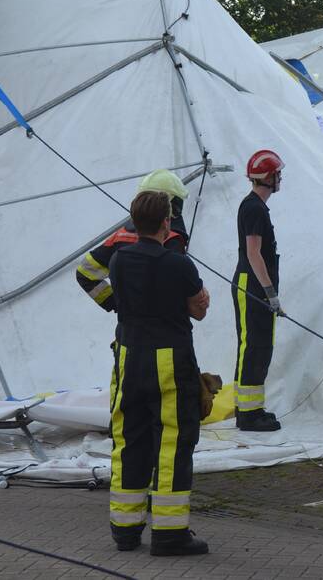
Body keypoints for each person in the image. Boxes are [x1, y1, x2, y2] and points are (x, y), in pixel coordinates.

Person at [108, 190, 210, 555]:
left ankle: (125, 528)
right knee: (172, 443)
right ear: (167, 222)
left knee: (129, 441)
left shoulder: (119, 261)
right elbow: (199, 309)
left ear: (135, 221)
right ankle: (169, 534)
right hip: (169, 361)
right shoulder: (178, 264)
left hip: (128, 359)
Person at [76, 169, 190, 312]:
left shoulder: (120, 236)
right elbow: (184, 294)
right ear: (166, 204)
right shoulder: (172, 240)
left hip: (128, 329)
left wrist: (117, 303)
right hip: (162, 329)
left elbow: (85, 271)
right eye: (177, 205)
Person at [232, 149, 284, 432]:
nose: (280, 178)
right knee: (252, 347)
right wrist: (269, 291)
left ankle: (252, 409)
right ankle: (248, 416)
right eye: (278, 174)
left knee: (260, 347)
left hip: (257, 287)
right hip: (251, 286)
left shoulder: (257, 207)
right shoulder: (253, 207)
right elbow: (254, 253)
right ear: (268, 177)